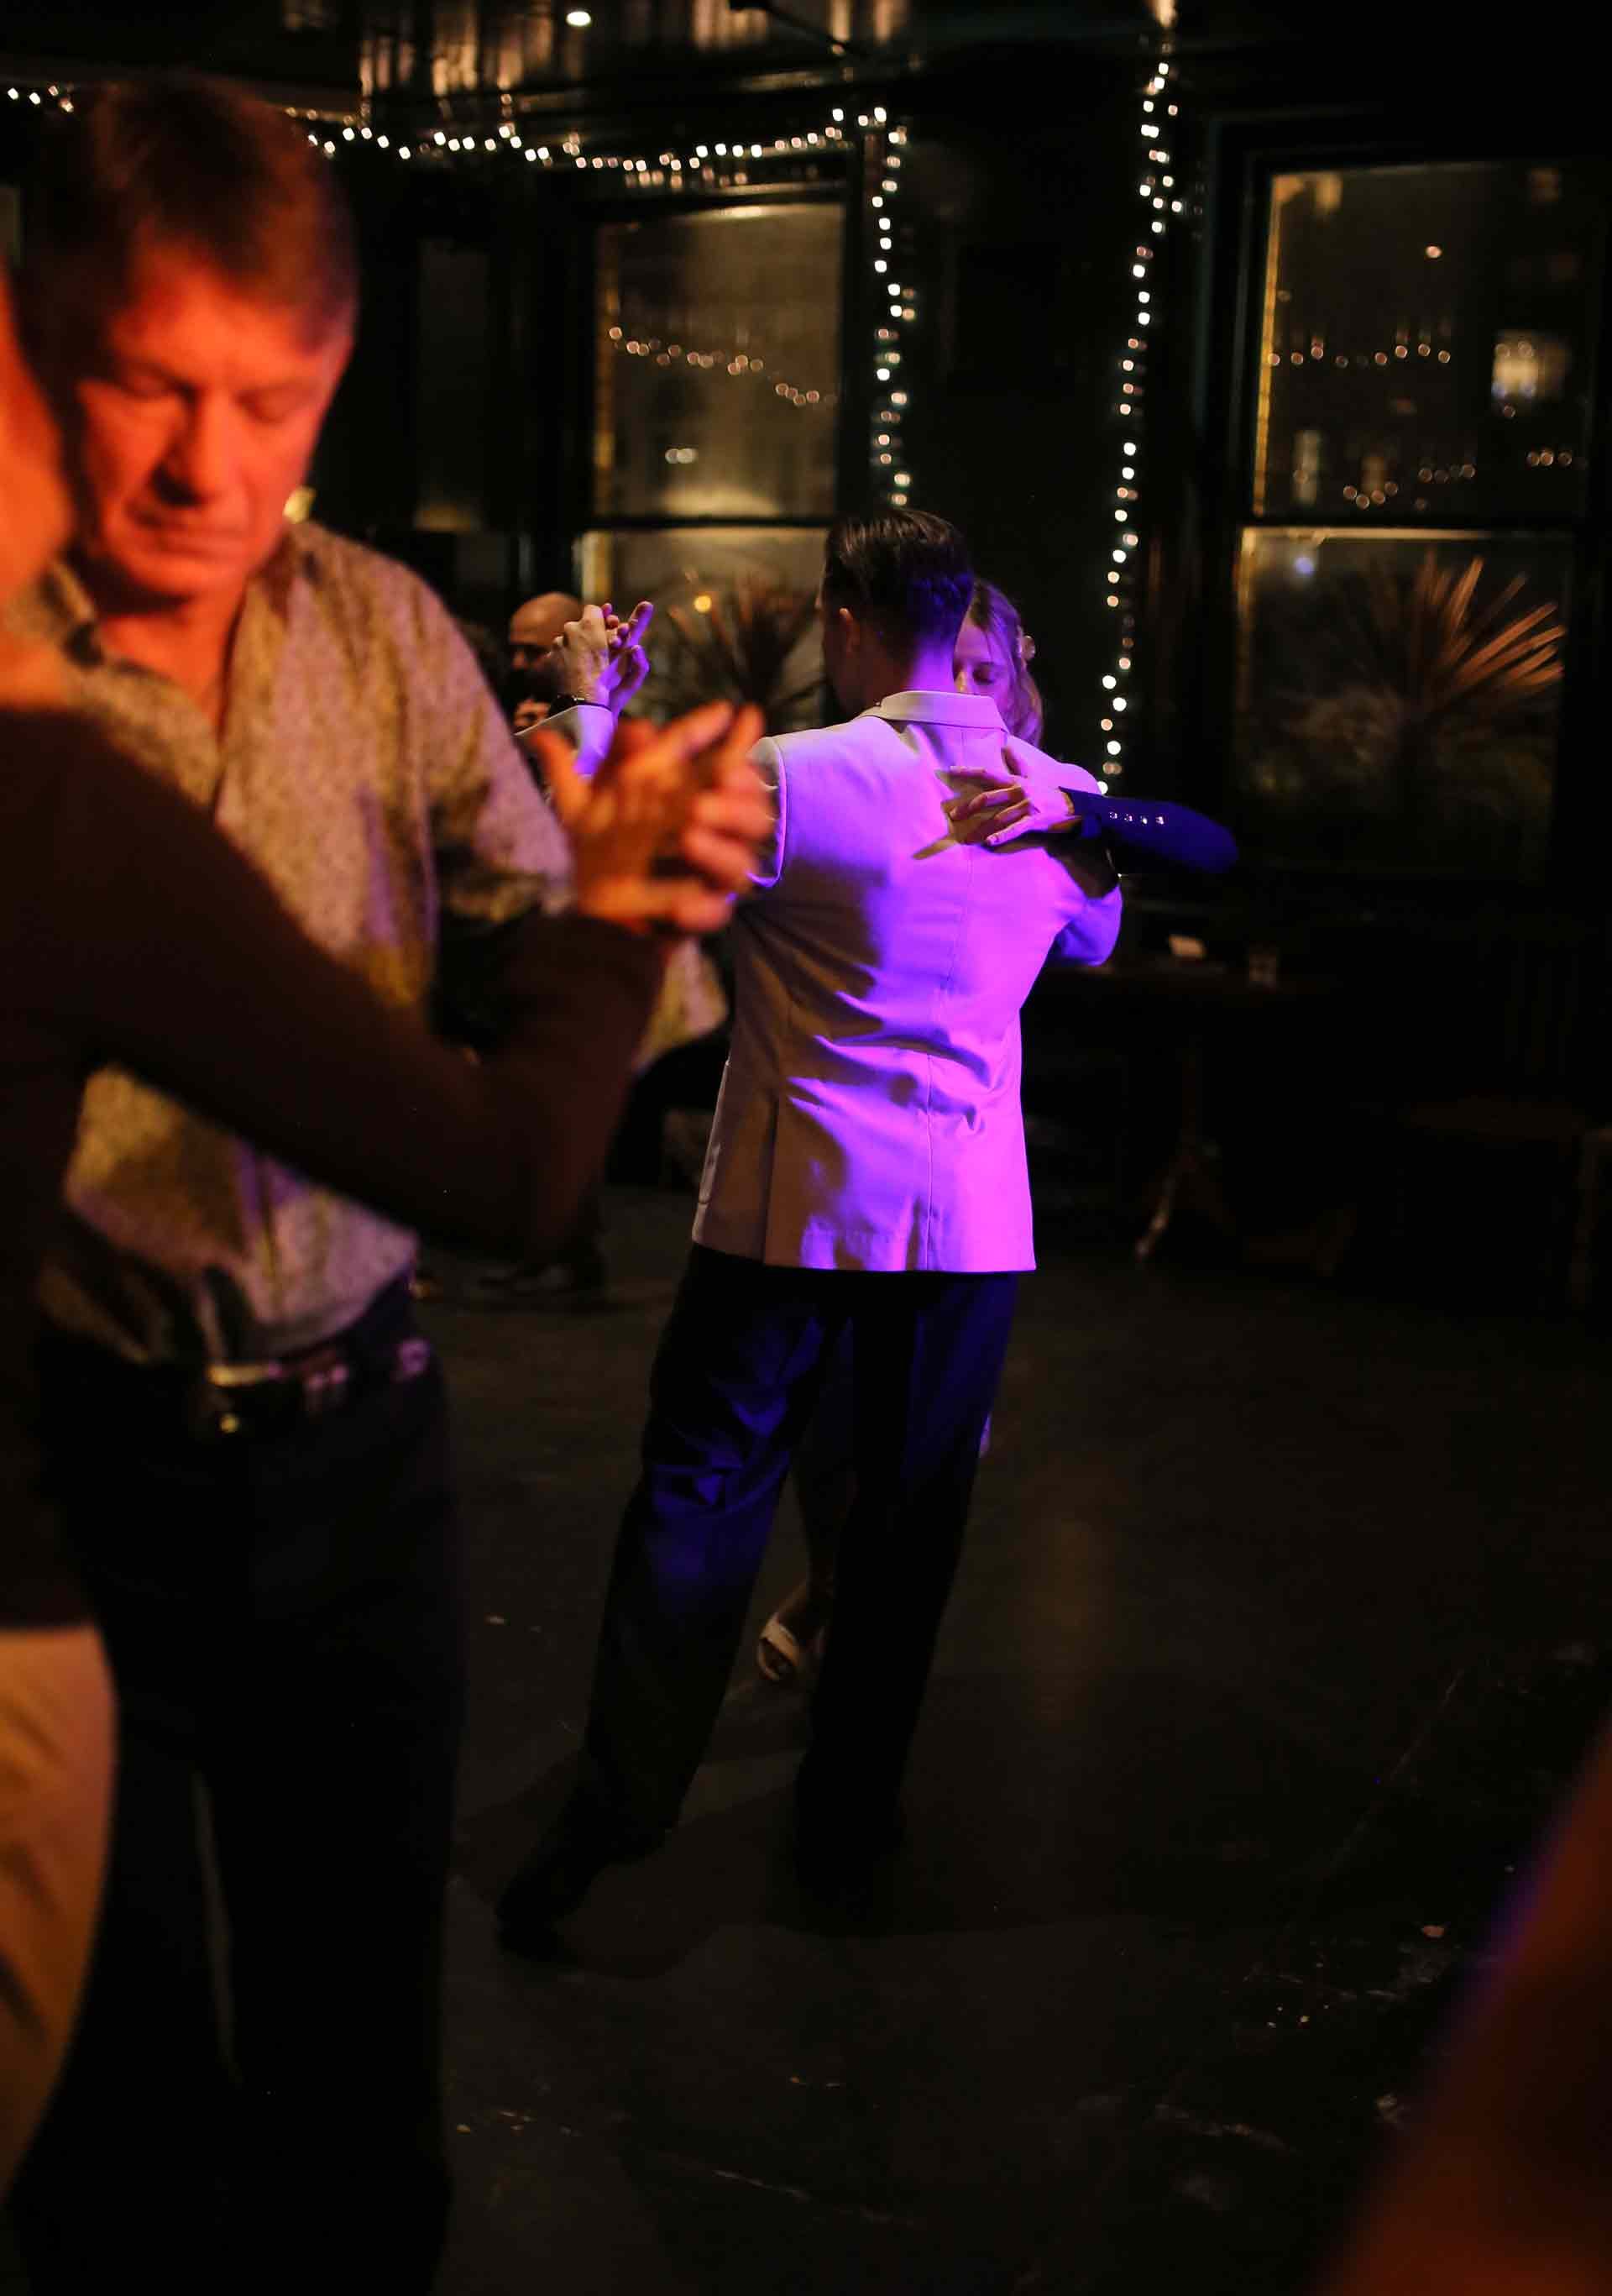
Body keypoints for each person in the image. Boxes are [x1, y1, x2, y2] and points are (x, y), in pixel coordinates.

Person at [1, 76, 761, 2292]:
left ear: (332, 380)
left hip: (358, 1450)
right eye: (151, 381)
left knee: (361, 2097)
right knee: (109, 2124)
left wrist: (628, 895)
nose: (203, 465)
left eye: (270, 394)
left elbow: (545, 950)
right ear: (56, 356)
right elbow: (521, 1137)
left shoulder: (383, 631)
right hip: (76, 1463)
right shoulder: (33, 709)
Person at [497, 511, 1123, 1942]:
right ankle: (849, 1819)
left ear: (845, 625)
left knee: (701, 1496)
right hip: (966, 1232)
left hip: (792, 1211)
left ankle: (619, 1808)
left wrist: (593, 705)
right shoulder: (1056, 793)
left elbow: (606, 853)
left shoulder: (803, 778)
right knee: (906, 1537)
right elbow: (1097, 934)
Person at [756, 575, 1052, 1684]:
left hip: (962, 1197)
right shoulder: (842, 782)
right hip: (836, 1182)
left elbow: (1111, 923)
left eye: (989, 675)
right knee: (828, 1428)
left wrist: (1078, 813)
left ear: (1017, 685)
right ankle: (835, 1588)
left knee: (919, 1457)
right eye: (952, 671)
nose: (966, 695)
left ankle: (849, 1624)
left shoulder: (1048, 800)